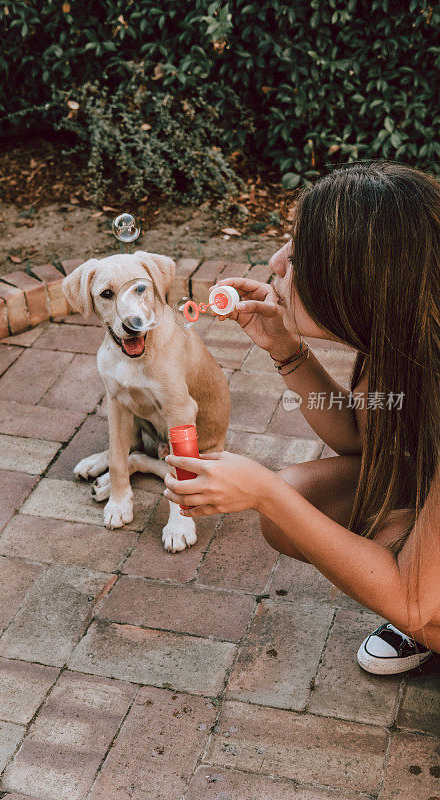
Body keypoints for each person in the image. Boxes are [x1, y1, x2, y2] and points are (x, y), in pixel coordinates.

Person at [163, 161, 439, 675]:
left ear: (359, 283)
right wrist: (286, 350)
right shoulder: (403, 338)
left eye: (301, 255)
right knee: (301, 503)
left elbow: (411, 599)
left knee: (413, 597)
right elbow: (361, 440)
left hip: (418, 597)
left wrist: (265, 490)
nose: (277, 261)